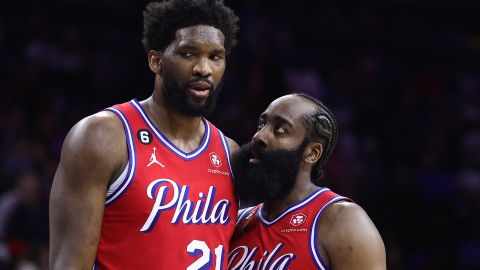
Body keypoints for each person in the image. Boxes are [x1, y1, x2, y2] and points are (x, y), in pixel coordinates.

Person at [49, 0, 240, 269]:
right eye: (188, 54)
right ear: (156, 61)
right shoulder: (102, 137)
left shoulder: (229, 153)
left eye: (215, 56)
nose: (203, 69)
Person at [228, 93, 386, 270]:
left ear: (312, 153)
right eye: (261, 124)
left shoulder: (343, 221)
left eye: (280, 129)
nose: (259, 136)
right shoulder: (239, 221)